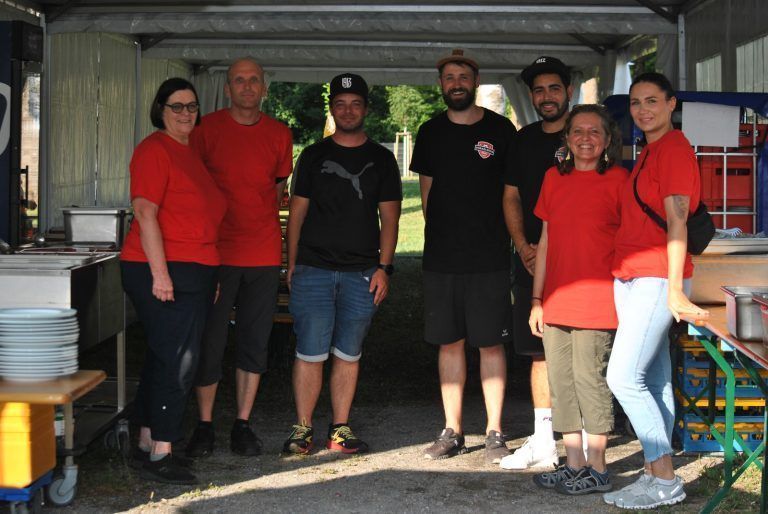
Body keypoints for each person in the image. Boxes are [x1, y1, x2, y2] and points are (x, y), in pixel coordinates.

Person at [603, 72, 709, 509]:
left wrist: (673, 289)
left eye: (652, 101)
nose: (643, 109)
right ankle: (653, 476)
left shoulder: (675, 151)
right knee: (653, 377)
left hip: (654, 277)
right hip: (631, 276)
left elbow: (678, 221)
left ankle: (664, 480)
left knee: (622, 377)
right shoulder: (651, 150)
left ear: (671, 104)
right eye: (635, 103)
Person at [282, 73, 401, 455]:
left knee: (349, 353)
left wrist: (385, 267)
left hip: (363, 273)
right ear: (332, 110)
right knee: (310, 351)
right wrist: (292, 263)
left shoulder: (382, 158)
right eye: (340, 104)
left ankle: (339, 429)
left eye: (355, 104)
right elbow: (296, 215)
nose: (347, 110)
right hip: (313, 269)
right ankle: (302, 430)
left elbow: (391, 219)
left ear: (366, 109)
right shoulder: (314, 155)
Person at [411, 49, 516, 464]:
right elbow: (426, 193)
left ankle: (494, 432)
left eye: (462, 77)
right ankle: (452, 430)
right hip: (442, 258)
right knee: (449, 342)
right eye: (448, 77)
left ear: (475, 82)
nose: (455, 83)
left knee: (491, 344)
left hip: (489, 257)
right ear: (441, 84)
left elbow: (512, 193)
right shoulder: (430, 131)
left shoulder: (501, 129)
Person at [185, 57, 293, 458]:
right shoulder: (205, 129)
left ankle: (242, 424)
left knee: (254, 342)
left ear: (264, 88)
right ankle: (205, 424)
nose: (247, 87)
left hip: (262, 253)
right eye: (238, 81)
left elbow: (278, 185)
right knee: (210, 342)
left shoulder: (280, 134)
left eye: (254, 81)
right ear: (227, 88)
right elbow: (192, 186)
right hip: (214, 255)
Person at [120, 78, 226, 484]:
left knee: (165, 355)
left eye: (192, 106)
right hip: (162, 267)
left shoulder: (188, 152)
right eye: (177, 106)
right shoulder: (153, 150)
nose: (186, 113)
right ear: (160, 109)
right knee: (179, 360)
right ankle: (163, 449)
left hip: (193, 268)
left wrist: (207, 271)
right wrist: (160, 274)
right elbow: (146, 214)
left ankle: (148, 441)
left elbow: (196, 218)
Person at [527, 104, 627, 494]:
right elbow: (546, 241)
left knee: (590, 381)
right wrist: (537, 298)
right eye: (577, 132)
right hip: (555, 299)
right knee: (561, 382)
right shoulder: (553, 178)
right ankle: (574, 464)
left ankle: (598, 469)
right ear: (567, 140)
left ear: (607, 141)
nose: (585, 138)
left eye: (594, 132)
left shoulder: (620, 181)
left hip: (599, 298)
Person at [501, 56, 572, 470]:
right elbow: (510, 196)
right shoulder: (522, 140)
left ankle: (581, 443)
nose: (547, 97)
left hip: (578, 264)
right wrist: (524, 246)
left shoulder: (586, 134)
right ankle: (544, 439)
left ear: (567, 92)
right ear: (531, 96)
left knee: (581, 351)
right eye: (539, 90)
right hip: (530, 262)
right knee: (537, 351)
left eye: (554, 88)